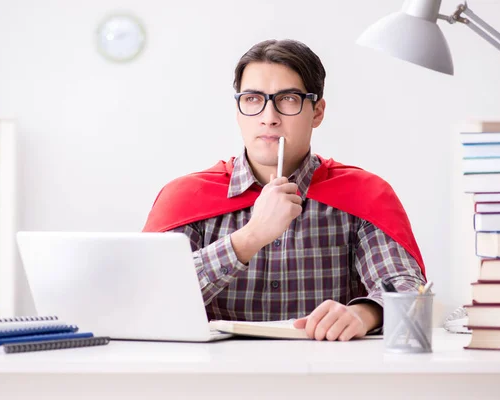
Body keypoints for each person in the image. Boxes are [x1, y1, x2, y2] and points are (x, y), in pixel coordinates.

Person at [143, 39, 426, 341]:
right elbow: (147, 296)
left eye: (288, 99)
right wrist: (251, 237)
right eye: (253, 99)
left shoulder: (364, 194)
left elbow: (409, 291)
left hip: (329, 376)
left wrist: (367, 313)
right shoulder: (185, 197)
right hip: (213, 380)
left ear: (317, 112)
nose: (269, 117)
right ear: (238, 110)